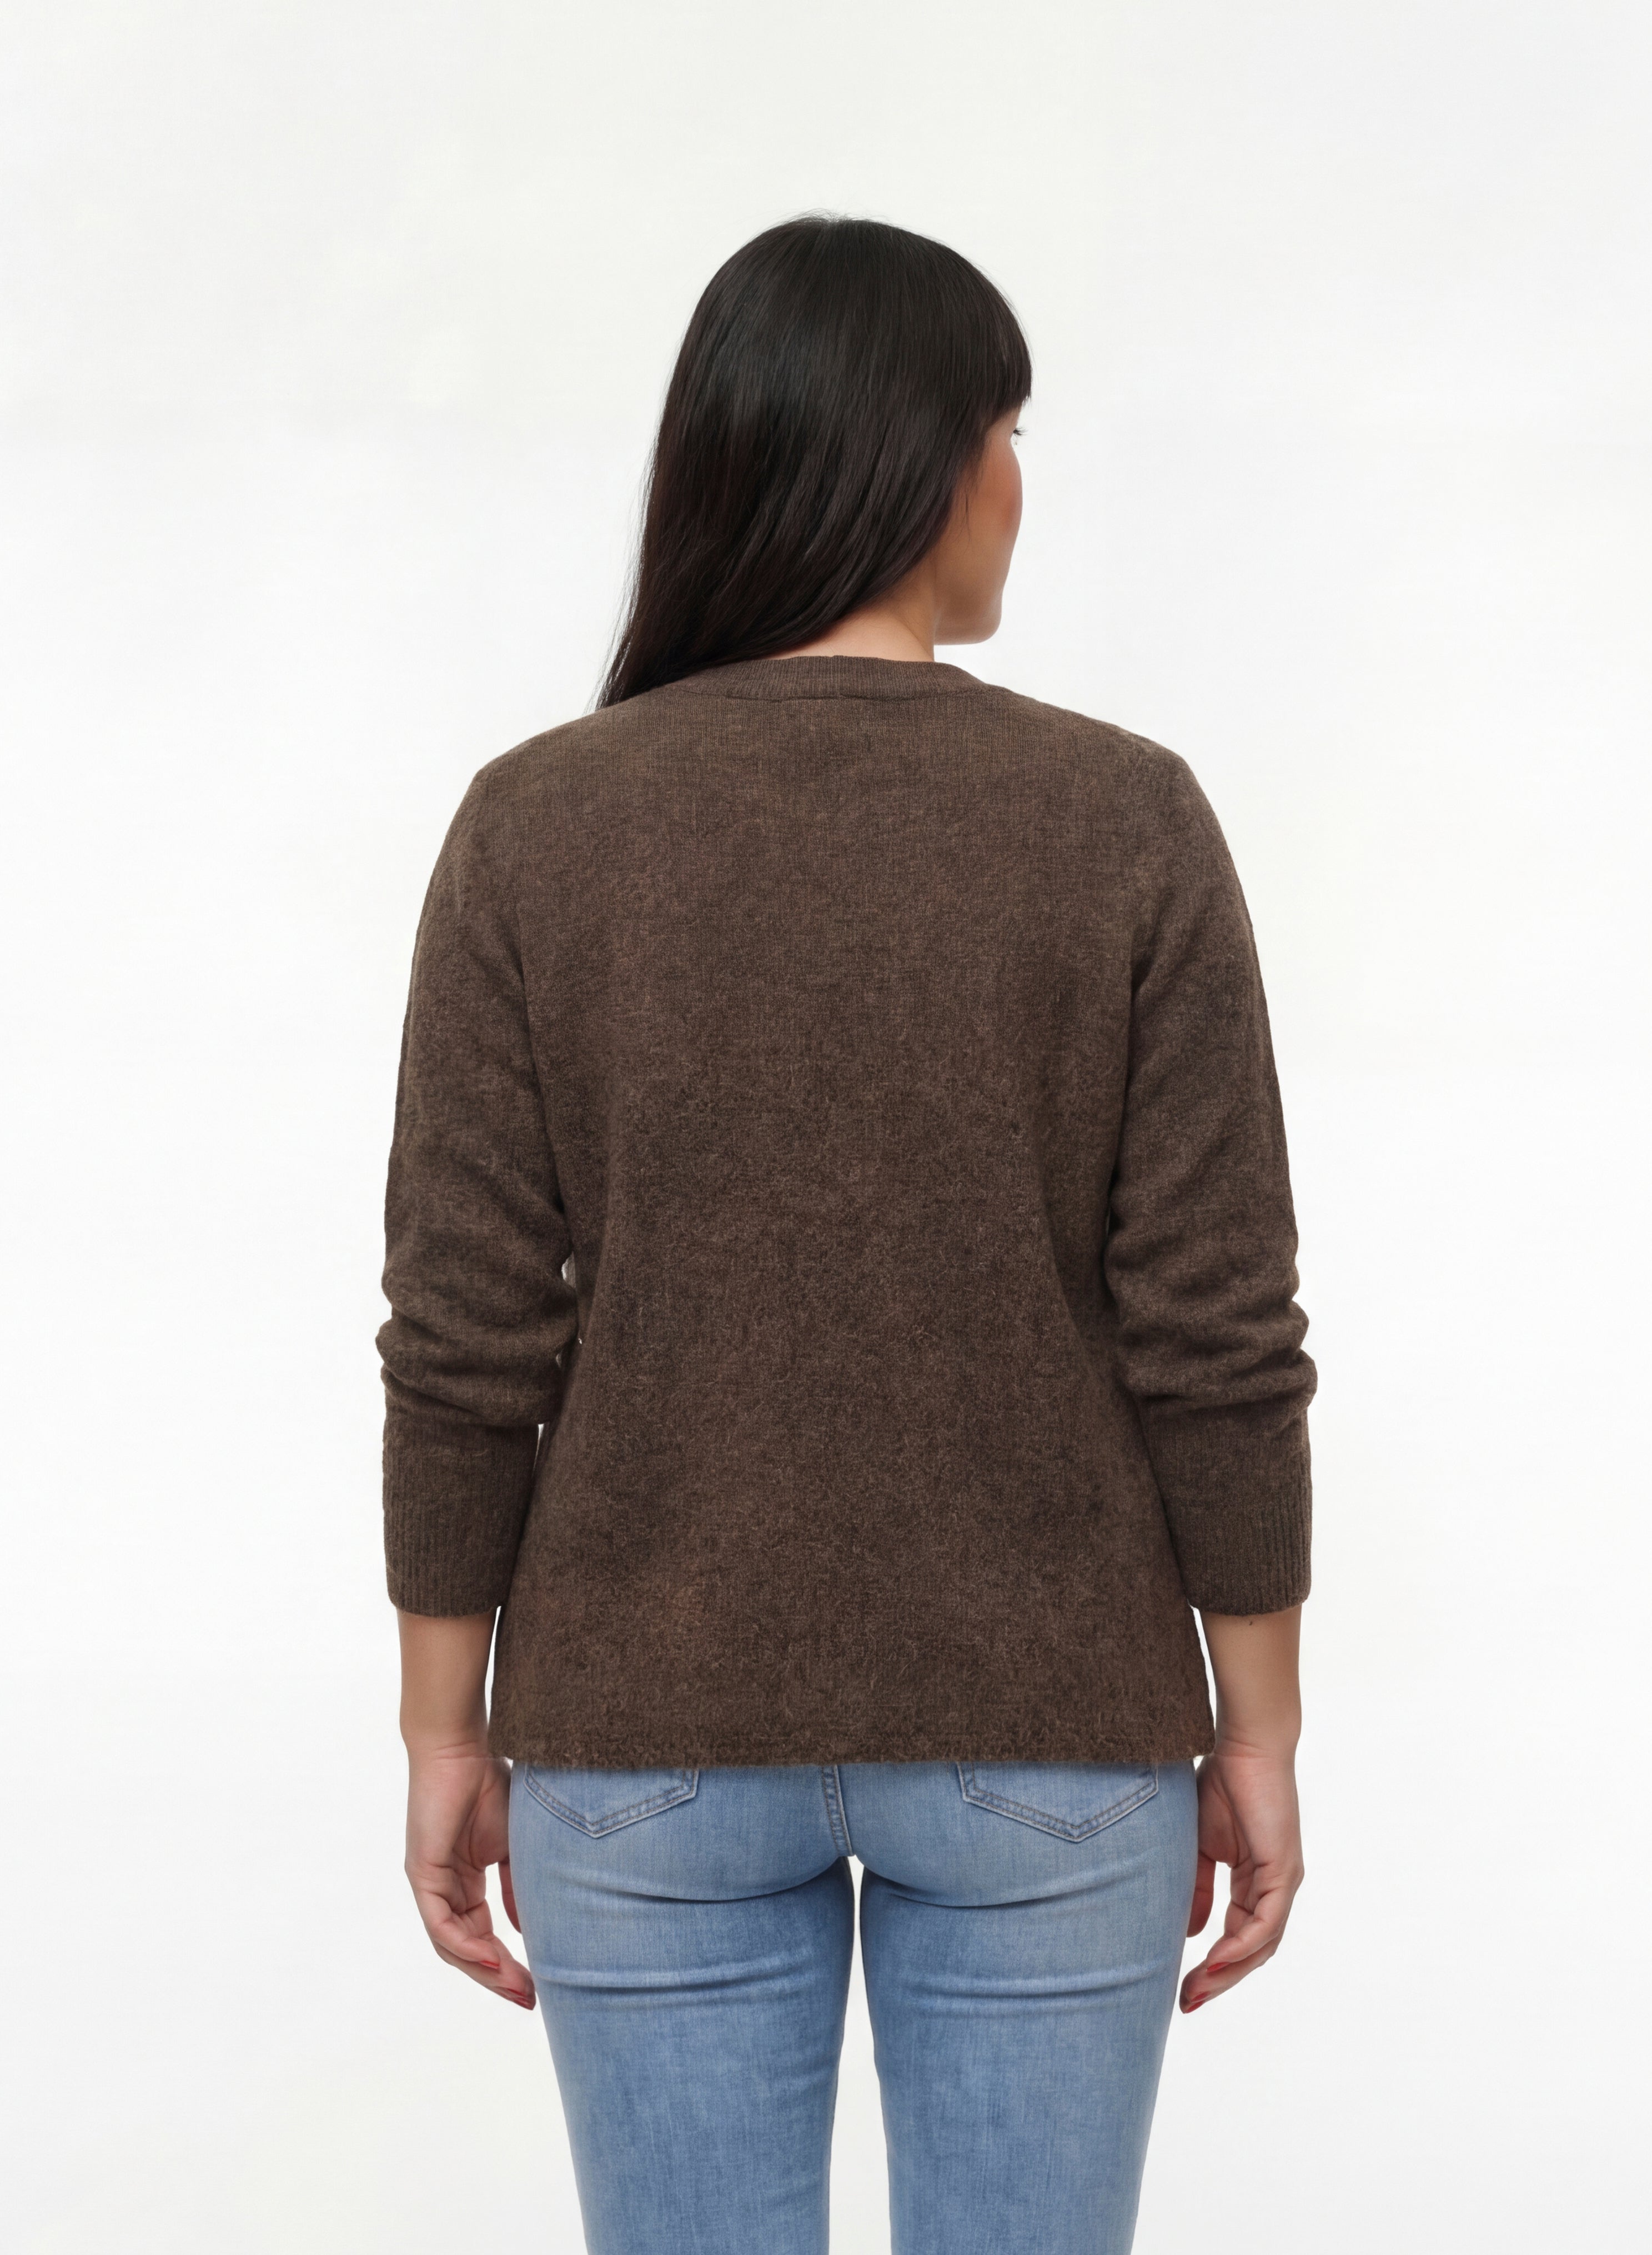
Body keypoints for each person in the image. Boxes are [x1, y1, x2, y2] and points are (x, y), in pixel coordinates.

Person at [379, 214, 1315, 2255]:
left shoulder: (536, 826)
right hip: (1055, 1731)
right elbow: (1220, 1334)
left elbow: (463, 1343)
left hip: (641, 1739)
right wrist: (1260, 1723)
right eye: (1007, 434)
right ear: (921, 461)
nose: (1019, 484)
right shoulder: (1125, 819)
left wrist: (443, 1725)